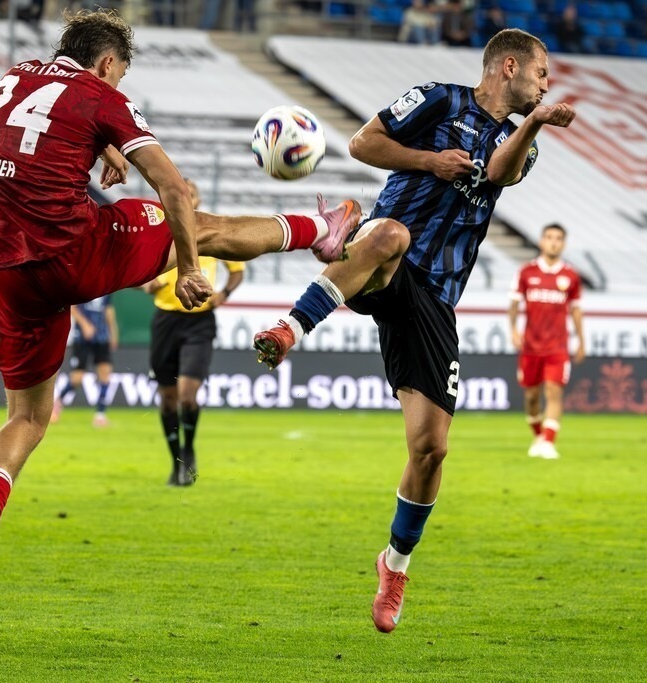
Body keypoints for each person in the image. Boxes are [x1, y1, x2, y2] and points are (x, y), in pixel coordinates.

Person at [0, 8, 362, 608]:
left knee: (29, 417)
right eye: (118, 77)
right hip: (70, 249)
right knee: (198, 219)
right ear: (108, 63)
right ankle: (319, 229)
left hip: (4, 263)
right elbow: (173, 188)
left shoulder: (10, 79)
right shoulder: (99, 94)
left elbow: (30, 149)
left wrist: (101, 153)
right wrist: (190, 268)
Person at [252, 29, 576, 633]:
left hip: (436, 298)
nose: (545, 85)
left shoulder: (522, 140)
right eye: (541, 74)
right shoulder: (437, 100)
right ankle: (290, 325)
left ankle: (394, 564)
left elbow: (501, 174)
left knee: (431, 449)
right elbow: (361, 142)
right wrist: (429, 159)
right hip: (388, 260)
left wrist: (533, 124)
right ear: (509, 66)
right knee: (390, 234)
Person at [142, 178, 243, 486]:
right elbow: (142, 280)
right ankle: (176, 461)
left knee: (187, 395)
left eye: (192, 193)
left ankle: (189, 450)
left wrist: (223, 294)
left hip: (199, 321)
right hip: (165, 320)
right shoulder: (158, 233)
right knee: (168, 398)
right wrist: (151, 282)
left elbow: (237, 271)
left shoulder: (209, 230)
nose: (188, 198)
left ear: (197, 199)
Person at [508, 223, 584, 459]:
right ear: (541, 241)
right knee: (531, 398)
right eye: (549, 237)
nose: (553, 242)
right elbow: (514, 304)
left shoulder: (570, 276)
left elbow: (576, 310)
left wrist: (582, 340)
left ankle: (549, 443)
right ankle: (539, 436)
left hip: (557, 346)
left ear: (563, 243)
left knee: (553, 391)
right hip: (531, 346)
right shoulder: (526, 272)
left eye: (558, 238)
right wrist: (512, 330)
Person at [50, 296, 119, 428]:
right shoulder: (83, 284)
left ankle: (100, 415)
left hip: (101, 337)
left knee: (105, 375)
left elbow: (108, 310)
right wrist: (85, 325)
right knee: (77, 379)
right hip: (82, 338)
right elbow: (73, 308)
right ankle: (58, 403)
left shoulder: (106, 287)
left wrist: (113, 332)